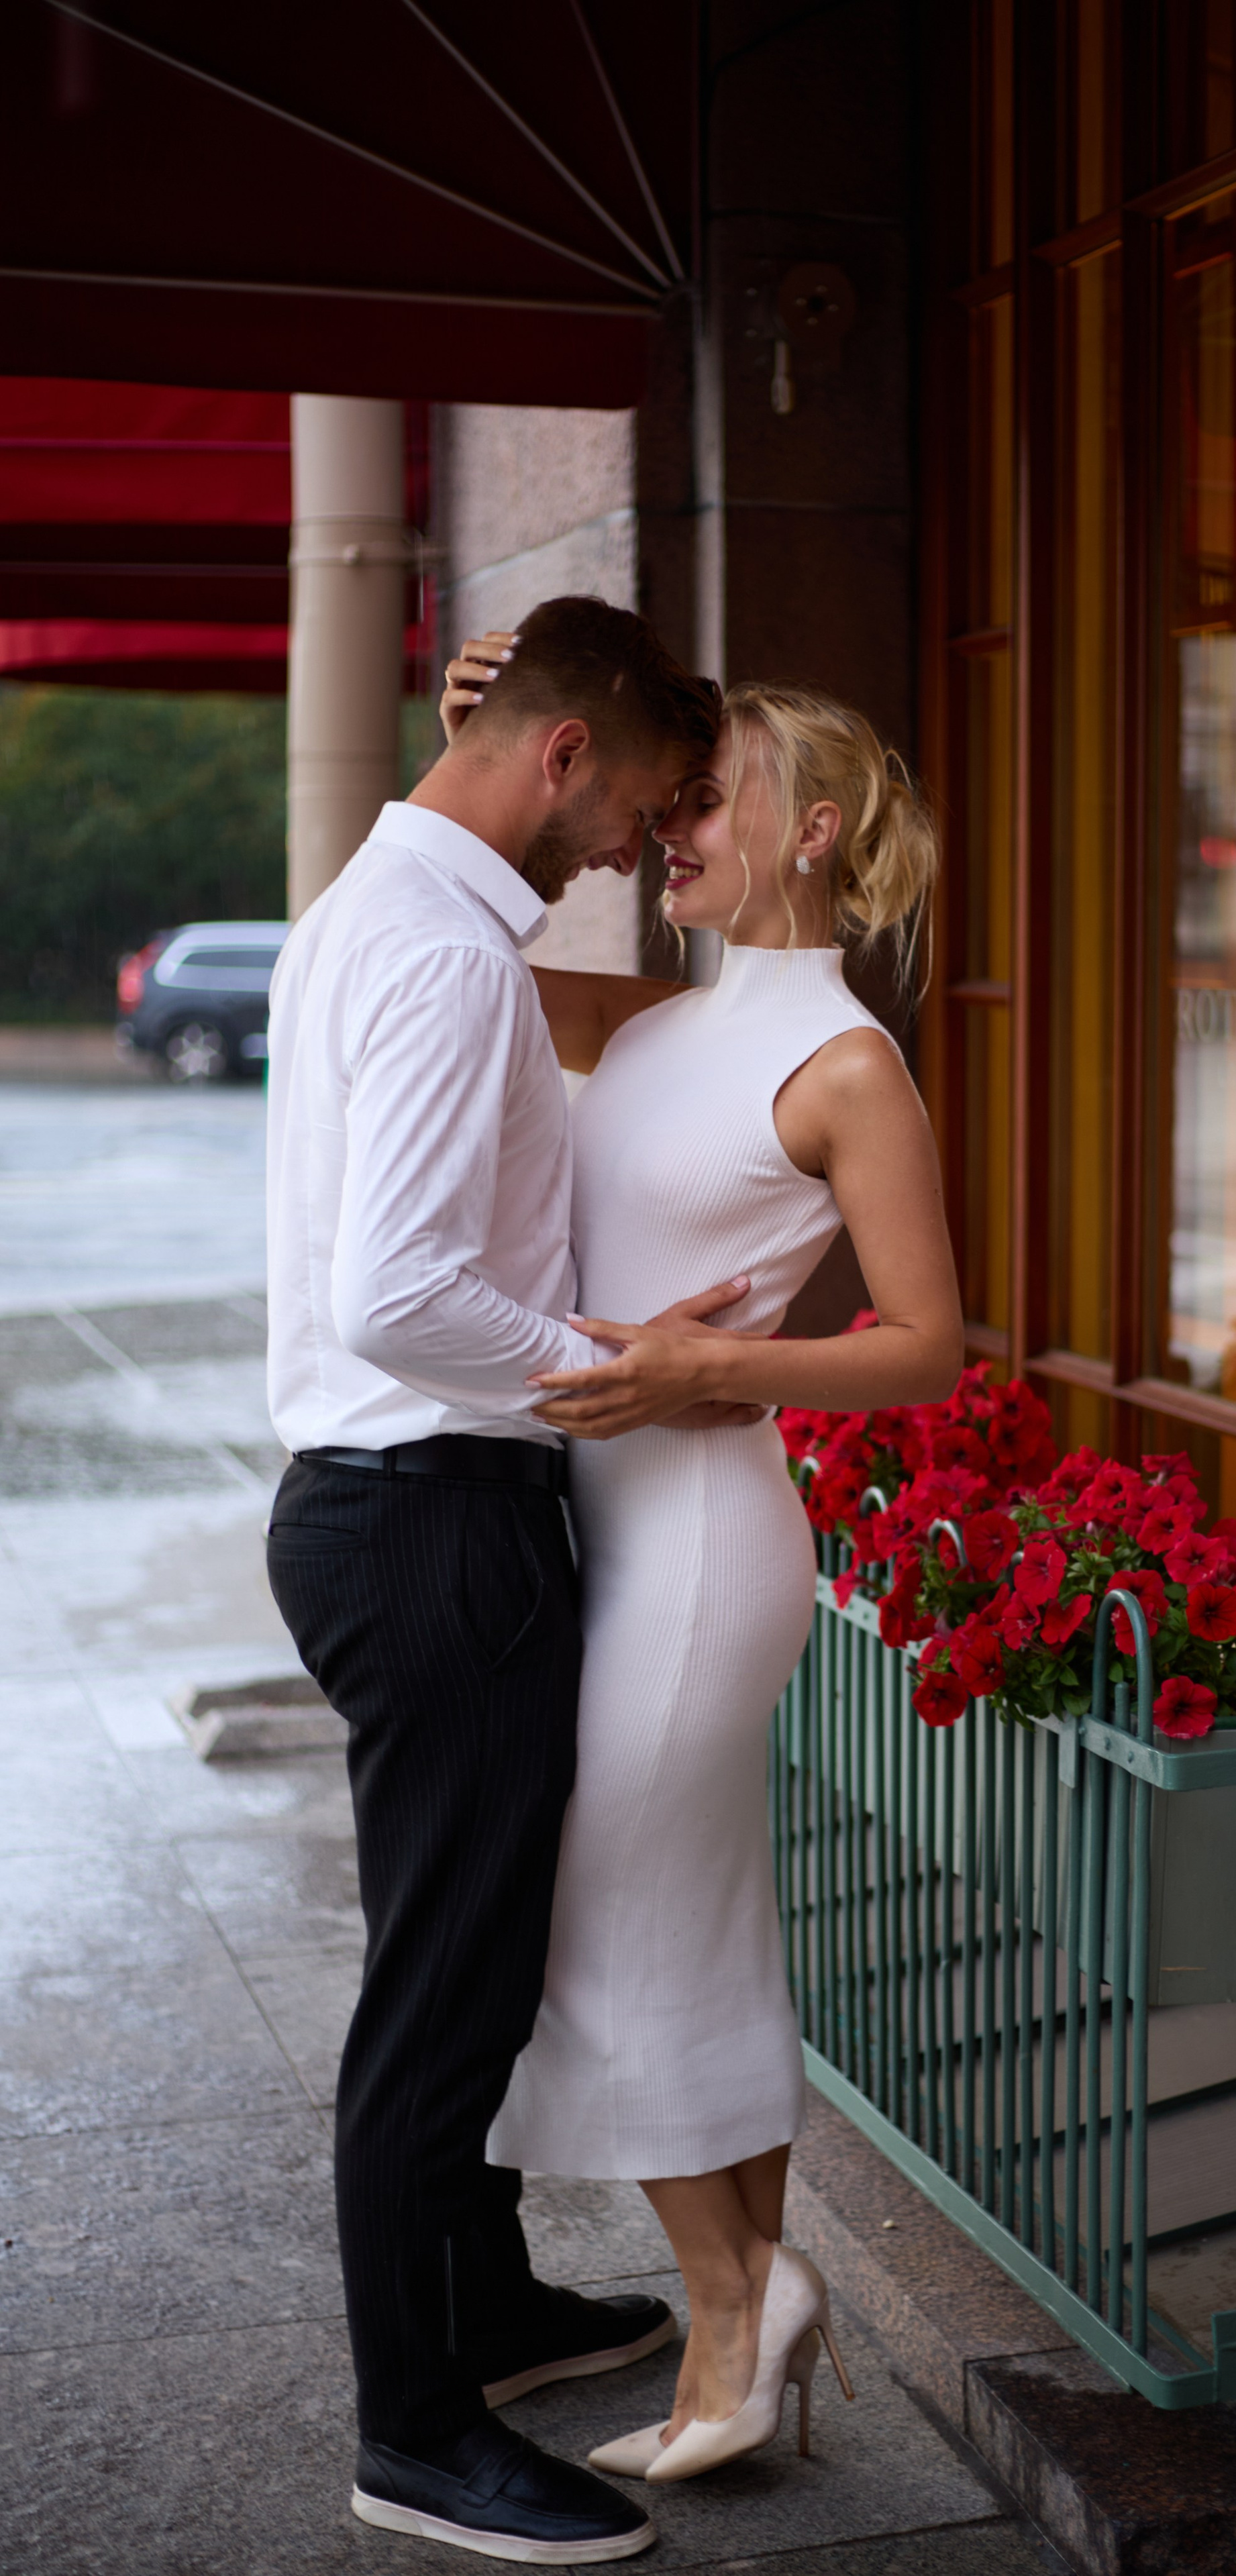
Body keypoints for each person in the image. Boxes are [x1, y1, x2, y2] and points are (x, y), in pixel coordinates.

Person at [265, 595, 767, 2565]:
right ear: (565, 756)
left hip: (396, 1507)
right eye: (639, 798)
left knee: (460, 1943)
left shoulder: (384, 914)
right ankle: (414, 2430)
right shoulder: (445, 958)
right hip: (428, 1515)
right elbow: (394, 1291)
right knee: (442, 1995)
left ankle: (482, 2309)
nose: (639, 843)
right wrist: (617, 1370)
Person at [442, 638, 964, 2487]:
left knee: (608, 1921)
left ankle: (734, 2308)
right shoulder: (652, 1020)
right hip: (601, 1522)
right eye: (667, 794)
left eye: (709, 793)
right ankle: (753, 2303)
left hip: (703, 1538)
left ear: (809, 833)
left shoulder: (846, 1065)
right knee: (699, 1935)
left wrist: (705, 1369)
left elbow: (927, 1345)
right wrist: (488, 743)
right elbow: (455, 937)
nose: (671, 822)